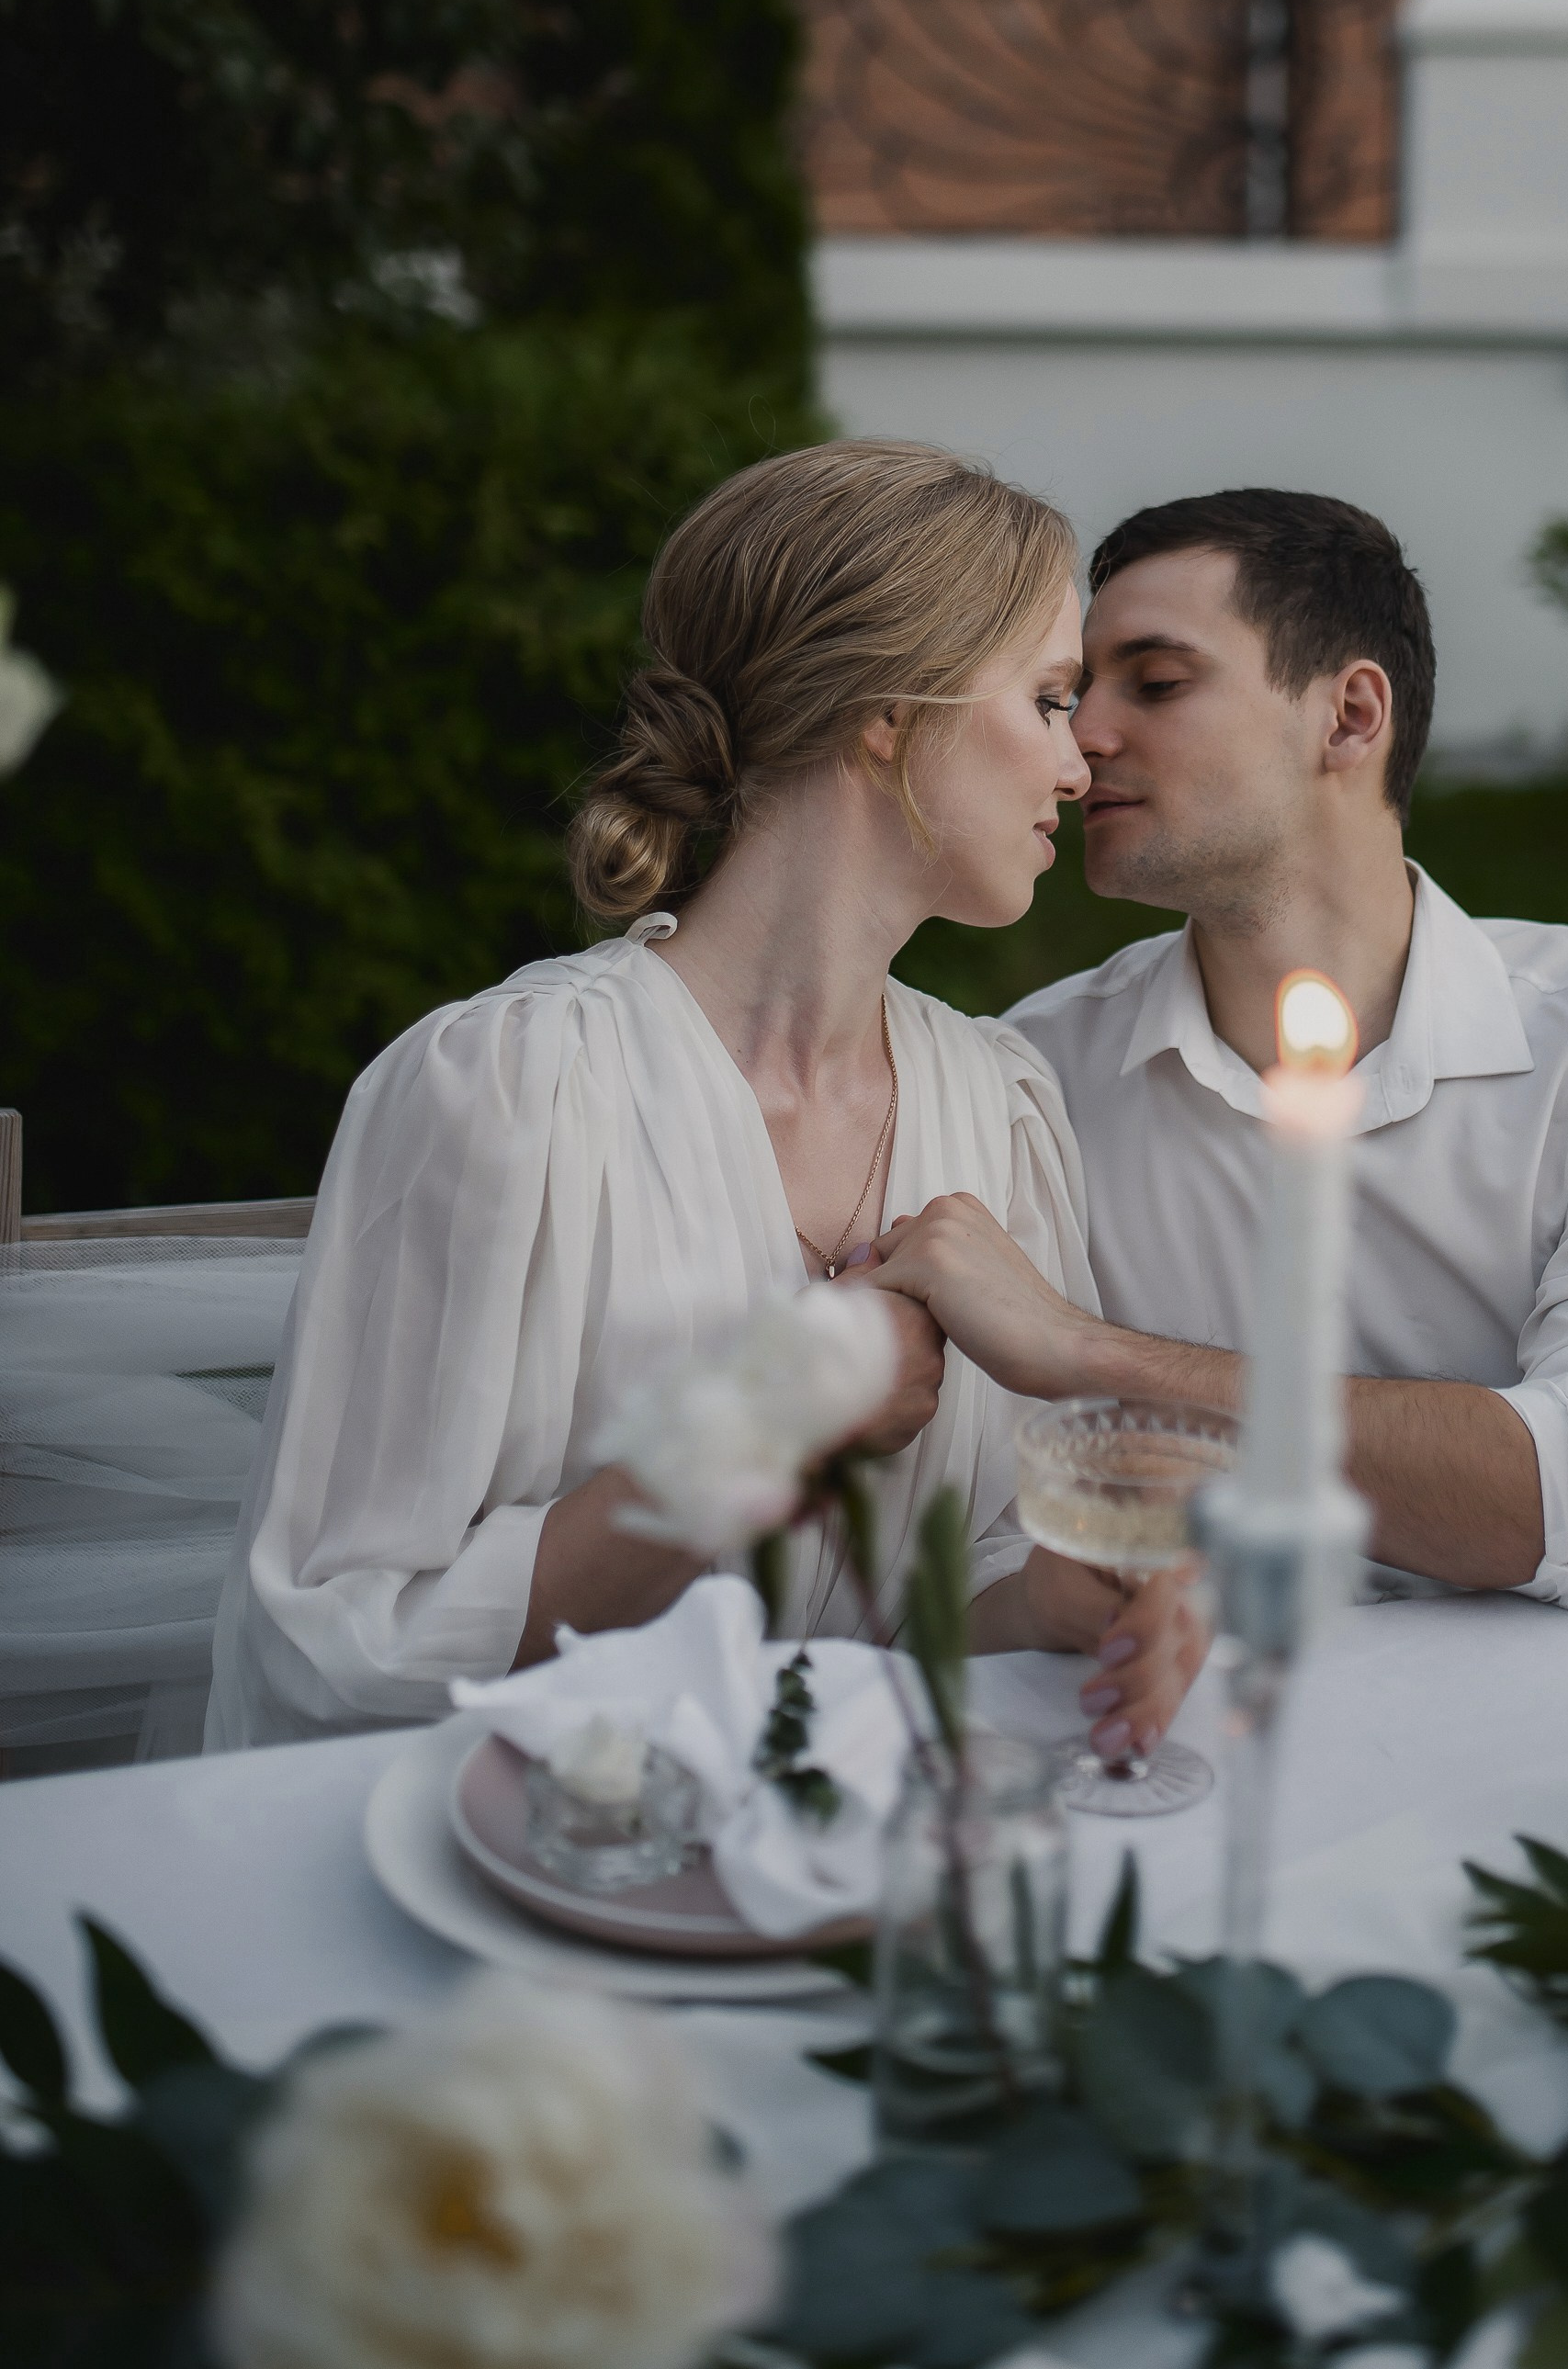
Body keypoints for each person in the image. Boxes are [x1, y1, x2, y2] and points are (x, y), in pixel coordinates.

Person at [208, 443, 1206, 1752]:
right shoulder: (509, 1094)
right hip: (547, 1843)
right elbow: (338, 1641)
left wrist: (1052, 1597)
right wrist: (764, 1421)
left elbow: (943, 1588)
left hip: (874, 1838)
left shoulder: (1001, 1107)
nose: (1077, 768)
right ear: (888, 713)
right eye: (1047, 698)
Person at [861, 489, 1568, 1616]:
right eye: (1074, 690)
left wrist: (1095, 1355)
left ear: (1349, 715)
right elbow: (978, 1538)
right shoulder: (1028, 1075)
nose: (1083, 737)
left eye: (1156, 683)